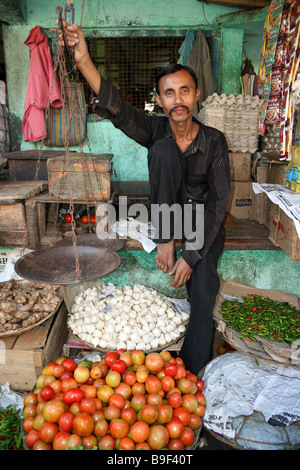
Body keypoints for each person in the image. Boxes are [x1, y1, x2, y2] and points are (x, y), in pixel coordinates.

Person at [59, 23, 230, 374]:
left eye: (184, 91)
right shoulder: (156, 129)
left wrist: (193, 254)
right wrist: (84, 60)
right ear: (160, 99)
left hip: (202, 222)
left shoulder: (215, 141)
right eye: (169, 93)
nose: (177, 99)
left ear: (196, 95)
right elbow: (119, 107)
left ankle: (190, 372)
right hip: (166, 219)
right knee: (163, 150)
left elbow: (217, 204)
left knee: (203, 285)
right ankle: (165, 236)